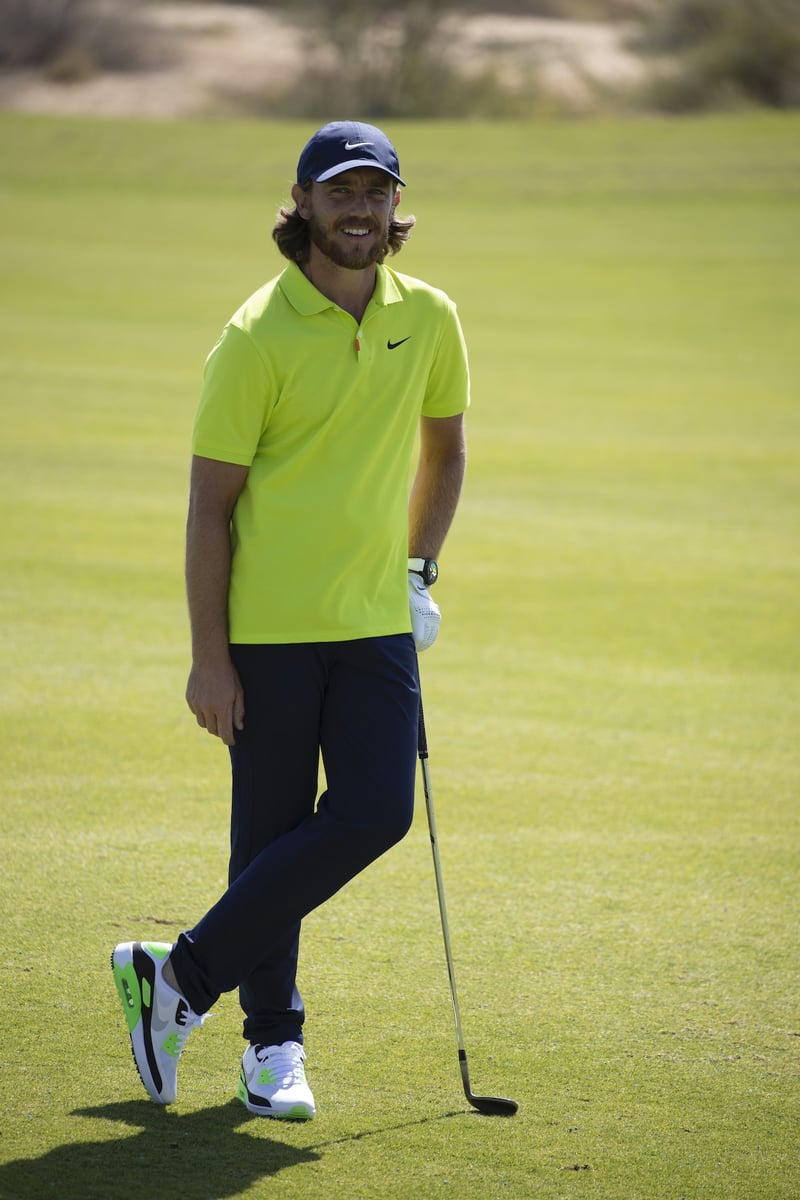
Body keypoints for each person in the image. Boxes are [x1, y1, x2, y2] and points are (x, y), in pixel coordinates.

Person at [112, 120, 469, 1121]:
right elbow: (208, 508)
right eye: (340, 193)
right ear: (302, 204)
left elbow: (445, 453)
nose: (360, 211)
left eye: (376, 193)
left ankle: (175, 976)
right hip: (266, 635)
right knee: (267, 839)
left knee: (374, 810)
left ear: (397, 205)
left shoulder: (429, 317)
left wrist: (418, 567)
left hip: (371, 624)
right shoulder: (255, 335)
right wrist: (207, 659)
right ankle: (272, 1051)